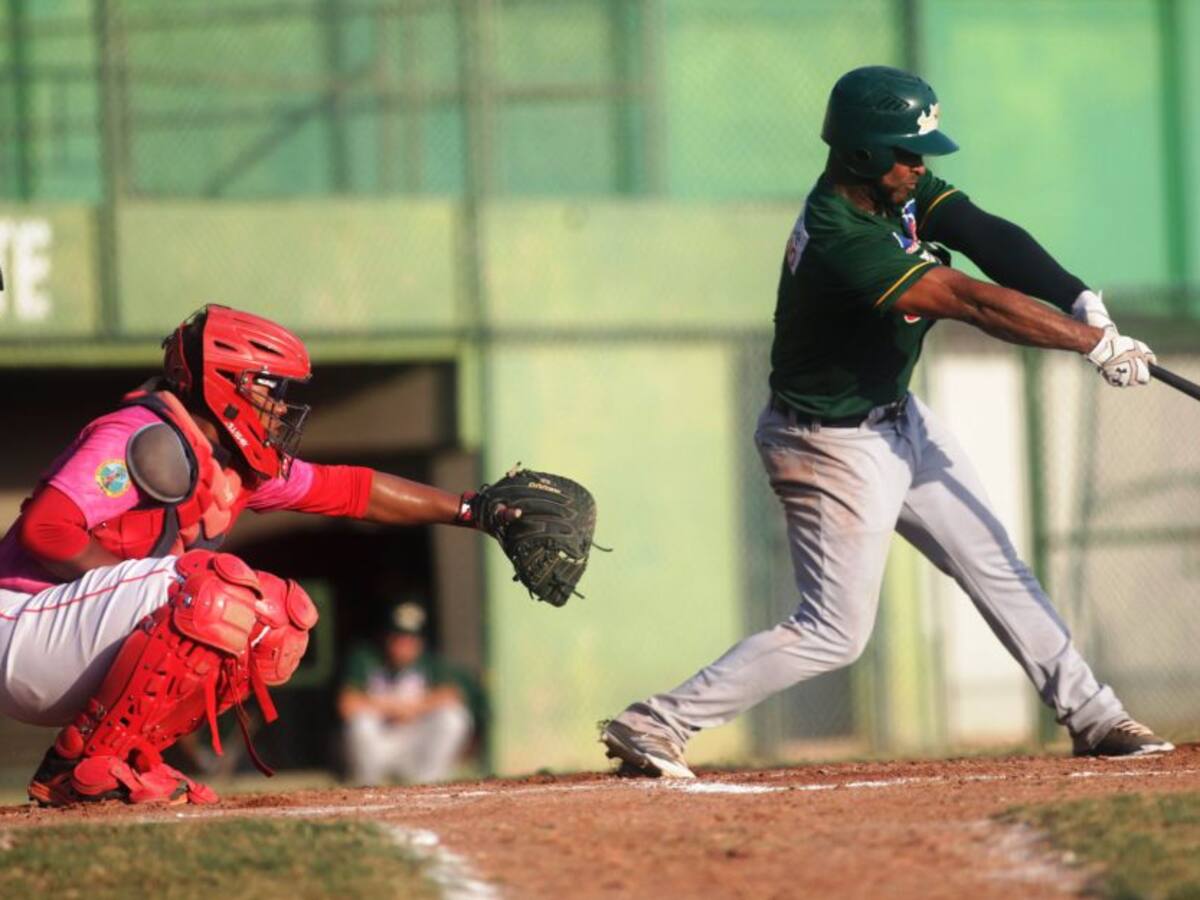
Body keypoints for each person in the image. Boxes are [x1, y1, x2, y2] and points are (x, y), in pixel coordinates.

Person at [601, 65, 1172, 778]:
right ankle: (656, 722)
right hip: (828, 445)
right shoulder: (841, 235)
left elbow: (983, 234)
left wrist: (1078, 298)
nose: (919, 164)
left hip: (900, 419)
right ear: (864, 155)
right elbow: (972, 300)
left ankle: (1095, 716)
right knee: (834, 633)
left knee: (996, 564)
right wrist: (1090, 346)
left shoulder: (894, 194)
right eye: (907, 151)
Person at [0, 304, 508, 806]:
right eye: (272, 388)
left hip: (72, 641)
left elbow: (350, 489)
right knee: (211, 590)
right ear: (227, 383)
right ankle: (76, 765)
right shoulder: (139, 432)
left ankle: (117, 757)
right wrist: (153, 588)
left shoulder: (229, 460)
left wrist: (473, 509)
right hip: (19, 626)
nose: (281, 406)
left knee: (279, 622)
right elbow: (45, 529)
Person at [339, 601, 481, 785]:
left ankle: (430, 782)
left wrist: (414, 708)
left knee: (454, 717)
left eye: (410, 640)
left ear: (420, 642)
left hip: (413, 743)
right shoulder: (365, 657)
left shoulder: (431, 662)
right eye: (397, 638)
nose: (403, 645)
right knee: (361, 722)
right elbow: (346, 704)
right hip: (381, 742)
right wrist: (393, 707)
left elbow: (453, 694)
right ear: (386, 637)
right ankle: (367, 784)